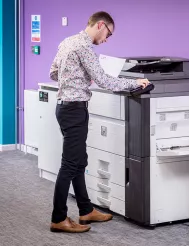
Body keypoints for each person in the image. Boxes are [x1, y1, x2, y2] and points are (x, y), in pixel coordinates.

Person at [48, 11, 150, 233]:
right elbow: (104, 81)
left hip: (65, 107)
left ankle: (86, 210)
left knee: (79, 161)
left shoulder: (67, 42)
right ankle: (58, 218)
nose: (106, 40)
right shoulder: (84, 47)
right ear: (100, 25)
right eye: (108, 34)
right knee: (69, 165)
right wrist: (136, 84)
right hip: (75, 110)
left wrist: (76, 77)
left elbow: (53, 73)